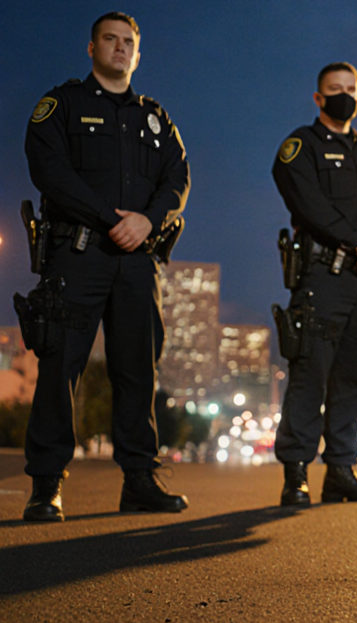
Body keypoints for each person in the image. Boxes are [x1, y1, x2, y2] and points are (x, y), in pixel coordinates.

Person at [20, 12, 191, 522]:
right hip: (78, 254)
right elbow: (49, 170)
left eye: (128, 43)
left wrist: (149, 220)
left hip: (139, 261)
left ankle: (139, 480)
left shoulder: (154, 117)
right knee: (60, 367)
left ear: (138, 55)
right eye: (110, 40)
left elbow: (178, 178)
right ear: (91, 47)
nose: (120, 48)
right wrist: (107, 219)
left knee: (139, 372)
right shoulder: (62, 105)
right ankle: (46, 485)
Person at [271, 62, 357, 506]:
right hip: (321, 278)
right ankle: (296, 475)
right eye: (335, 89)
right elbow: (309, 205)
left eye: (351, 89)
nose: (344, 95)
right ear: (318, 97)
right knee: (310, 374)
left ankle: (341, 470)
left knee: (354, 379)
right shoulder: (300, 147)